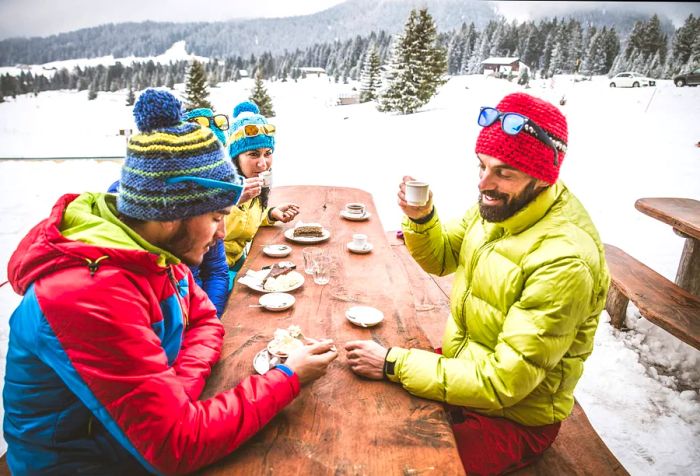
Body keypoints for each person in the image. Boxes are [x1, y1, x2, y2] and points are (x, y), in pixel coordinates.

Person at [3, 89, 337, 475]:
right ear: (169, 215)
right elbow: (176, 446)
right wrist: (286, 378)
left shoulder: (155, 254)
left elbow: (207, 319)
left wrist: (175, 390)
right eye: (215, 217)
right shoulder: (87, 294)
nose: (222, 233)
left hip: (128, 444)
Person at [345, 92, 610, 475]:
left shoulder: (563, 261)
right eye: (482, 166)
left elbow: (505, 381)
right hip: (464, 370)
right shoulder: (501, 207)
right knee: (358, 405)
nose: (485, 182)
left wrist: (394, 364)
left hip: (513, 418)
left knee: (403, 465)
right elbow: (441, 258)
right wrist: (421, 219)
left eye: (504, 172)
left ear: (542, 176)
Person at [106, 107, 237, 318]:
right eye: (216, 218)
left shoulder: (170, 262)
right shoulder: (109, 293)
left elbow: (204, 307)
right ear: (171, 211)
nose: (221, 233)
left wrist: (210, 320)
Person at [223, 101, 299, 278]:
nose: (263, 163)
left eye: (267, 153)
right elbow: (205, 231)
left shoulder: (254, 184)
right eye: (253, 154)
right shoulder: (220, 187)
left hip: (236, 262)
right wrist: (232, 201)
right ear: (235, 158)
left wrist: (271, 214)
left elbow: (245, 220)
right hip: (211, 272)